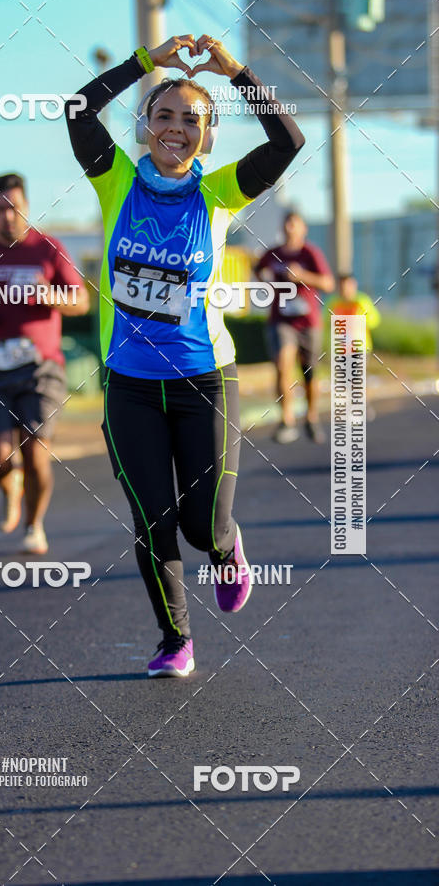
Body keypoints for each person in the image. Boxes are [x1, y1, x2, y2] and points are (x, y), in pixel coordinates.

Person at [65, 34, 304, 677]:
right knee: (153, 519)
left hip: (205, 381)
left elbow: (289, 143)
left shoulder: (222, 192)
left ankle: (227, 547)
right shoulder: (115, 182)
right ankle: (176, 640)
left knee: (201, 527)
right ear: (145, 127)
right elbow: (76, 111)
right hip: (132, 386)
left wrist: (232, 70)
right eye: (163, 115)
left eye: (191, 119)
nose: (176, 128)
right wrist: (147, 63)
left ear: (208, 134)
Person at [0, 172, 89, 553]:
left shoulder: (48, 249)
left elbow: (81, 301)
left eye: (15, 208)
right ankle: (9, 485)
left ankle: (33, 525)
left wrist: (51, 296)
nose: (8, 216)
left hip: (40, 369)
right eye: (0, 209)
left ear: (26, 205)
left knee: (36, 451)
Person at [254, 211, 334, 444]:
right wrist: (264, 279)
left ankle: (311, 417)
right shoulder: (273, 254)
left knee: (309, 371)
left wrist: (303, 276)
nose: (290, 227)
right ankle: (287, 420)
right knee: (283, 363)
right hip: (281, 320)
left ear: (303, 228)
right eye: (287, 223)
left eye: (295, 223)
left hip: (308, 322)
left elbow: (328, 283)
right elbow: (258, 269)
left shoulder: (310, 253)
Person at [329, 273, 381, 419]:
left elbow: (374, 320)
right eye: (342, 286)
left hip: (359, 347)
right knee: (344, 380)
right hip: (340, 348)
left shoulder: (362, 300)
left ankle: (361, 406)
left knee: (357, 378)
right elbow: (324, 322)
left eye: (347, 285)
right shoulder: (333, 302)